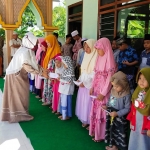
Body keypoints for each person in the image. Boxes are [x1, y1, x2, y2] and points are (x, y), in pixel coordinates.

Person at [1, 32, 48, 123]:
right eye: (35, 43)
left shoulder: (25, 49)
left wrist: (42, 70)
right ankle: (20, 115)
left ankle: (16, 113)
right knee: (20, 95)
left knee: (18, 95)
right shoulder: (25, 51)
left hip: (16, 74)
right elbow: (28, 66)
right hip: (16, 75)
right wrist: (41, 73)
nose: (36, 45)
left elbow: (33, 64)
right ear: (30, 43)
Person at [89, 38, 116, 142]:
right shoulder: (99, 58)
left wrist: (103, 93)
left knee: (102, 110)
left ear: (105, 48)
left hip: (104, 90)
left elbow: (110, 79)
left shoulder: (110, 61)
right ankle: (94, 131)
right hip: (96, 88)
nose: (97, 51)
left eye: (99, 49)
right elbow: (95, 74)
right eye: (96, 49)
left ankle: (100, 135)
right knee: (95, 108)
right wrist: (92, 87)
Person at [104, 71, 131, 150]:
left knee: (120, 132)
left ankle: (120, 146)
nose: (114, 88)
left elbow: (127, 108)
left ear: (123, 84)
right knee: (112, 130)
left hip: (120, 118)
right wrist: (107, 106)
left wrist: (118, 113)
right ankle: (113, 145)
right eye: (113, 86)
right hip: (112, 115)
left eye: (117, 86)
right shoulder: (113, 91)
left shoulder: (126, 95)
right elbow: (111, 100)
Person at [75, 39, 97, 128]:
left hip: (89, 85)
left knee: (88, 103)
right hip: (83, 83)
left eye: (88, 47)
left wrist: (85, 83)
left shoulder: (96, 57)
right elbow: (83, 70)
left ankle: (89, 120)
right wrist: (80, 80)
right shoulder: (85, 56)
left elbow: (94, 73)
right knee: (83, 102)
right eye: (85, 46)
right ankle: (84, 119)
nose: (86, 49)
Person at [127, 67, 150, 150]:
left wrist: (149, 127)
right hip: (136, 123)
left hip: (145, 126)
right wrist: (131, 120)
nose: (141, 81)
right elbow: (133, 108)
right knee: (134, 139)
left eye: (145, 79)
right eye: (140, 78)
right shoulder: (137, 92)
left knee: (143, 142)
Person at [42, 34, 61, 105]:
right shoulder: (49, 50)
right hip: (48, 71)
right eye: (46, 43)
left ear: (52, 41)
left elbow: (58, 64)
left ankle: (52, 102)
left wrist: (54, 73)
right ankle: (47, 100)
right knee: (47, 85)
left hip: (53, 72)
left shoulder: (57, 51)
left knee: (51, 86)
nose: (47, 44)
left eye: (48, 42)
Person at [58, 56, 75, 120]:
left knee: (67, 102)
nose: (64, 66)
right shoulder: (66, 69)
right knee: (63, 101)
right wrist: (60, 77)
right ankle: (63, 114)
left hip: (67, 90)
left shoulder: (70, 70)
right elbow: (63, 77)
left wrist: (60, 79)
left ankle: (67, 115)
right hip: (64, 89)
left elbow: (69, 81)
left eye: (64, 64)